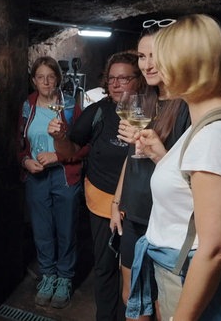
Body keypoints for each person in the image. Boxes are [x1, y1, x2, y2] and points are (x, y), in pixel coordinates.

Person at [126, 14, 221, 320]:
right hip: (178, 271)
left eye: (163, 59)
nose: (153, 68)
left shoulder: (215, 135)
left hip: (194, 279)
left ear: (185, 65)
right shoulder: (204, 122)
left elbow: (213, 249)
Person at [48, 51, 144, 320]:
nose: (115, 84)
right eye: (111, 78)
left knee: (135, 270)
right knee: (104, 267)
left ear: (139, 80)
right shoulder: (99, 110)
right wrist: (59, 138)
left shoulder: (153, 111)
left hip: (138, 207)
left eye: (124, 78)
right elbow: (71, 150)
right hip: (102, 202)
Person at [111, 20, 191, 321]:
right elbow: (133, 156)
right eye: (142, 57)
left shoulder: (186, 106)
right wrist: (117, 200)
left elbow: (189, 176)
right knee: (131, 298)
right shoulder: (146, 99)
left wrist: (158, 151)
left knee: (161, 304)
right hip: (134, 213)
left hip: (165, 219)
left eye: (153, 56)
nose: (146, 64)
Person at [18, 56, 87, 309]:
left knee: (66, 229)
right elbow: (20, 144)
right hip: (36, 177)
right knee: (42, 230)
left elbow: (83, 145)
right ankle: (48, 276)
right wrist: (25, 161)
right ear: (33, 81)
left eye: (50, 76)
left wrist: (58, 156)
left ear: (58, 78)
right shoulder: (28, 105)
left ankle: (65, 278)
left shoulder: (69, 106)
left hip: (64, 176)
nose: (46, 81)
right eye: (40, 77)